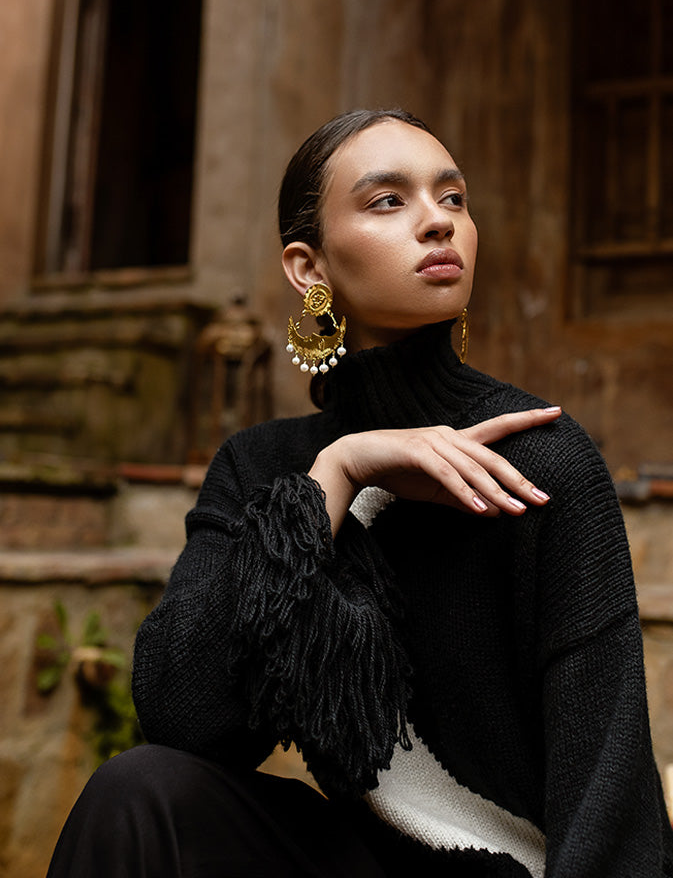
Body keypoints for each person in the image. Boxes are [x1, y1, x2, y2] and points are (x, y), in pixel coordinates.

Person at [46, 109, 673, 877]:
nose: (437, 224)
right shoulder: (263, 469)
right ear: (308, 269)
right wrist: (334, 479)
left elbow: (608, 782)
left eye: (452, 199)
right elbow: (183, 715)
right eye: (388, 202)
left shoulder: (536, 455)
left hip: (510, 868)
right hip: (358, 861)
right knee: (139, 791)